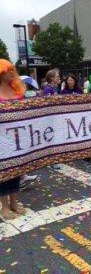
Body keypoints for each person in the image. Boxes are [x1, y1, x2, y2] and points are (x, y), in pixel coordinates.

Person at [0, 59, 27, 219]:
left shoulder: (18, 91)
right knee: (3, 172)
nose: (12, 72)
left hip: (17, 139)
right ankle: (4, 207)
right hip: (1, 140)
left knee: (16, 170)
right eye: (8, 70)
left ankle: (14, 202)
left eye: (12, 70)